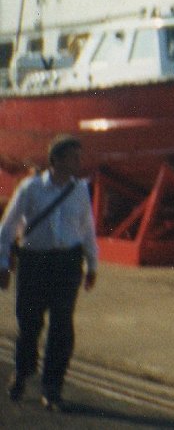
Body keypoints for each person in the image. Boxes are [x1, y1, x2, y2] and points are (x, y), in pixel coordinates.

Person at [0, 134, 98, 411]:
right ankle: (22, 371)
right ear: (56, 159)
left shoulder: (80, 189)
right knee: (29, 324)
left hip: (67, 262)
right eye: (73, 156)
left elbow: (87, 228)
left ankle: (52, 387)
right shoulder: (30, 188)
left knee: (62, 326)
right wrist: (3, 264)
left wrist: (92, 265)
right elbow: (6, 229)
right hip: (34, 262)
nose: (79, 161)